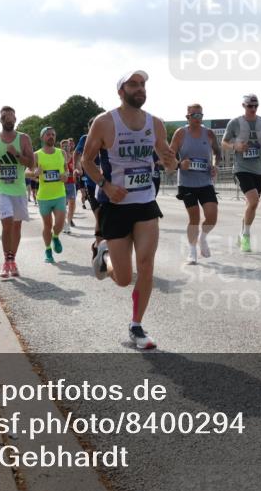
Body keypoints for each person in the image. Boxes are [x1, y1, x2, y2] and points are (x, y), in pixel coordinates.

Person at [81, 71, 176, 349]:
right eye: (133, 84)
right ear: (120, 91)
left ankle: (137, 326)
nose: (140, 89)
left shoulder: (156, 124)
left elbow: (168, 161)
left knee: (146, 266)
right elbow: (86, 161)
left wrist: (171, 162)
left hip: (145, 202)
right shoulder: (104, 122)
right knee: (123, 279)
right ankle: (105, 253)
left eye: (143, 84)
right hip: (115, 205)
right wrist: (106, 186)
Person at [221, 93, 261, 252]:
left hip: (258, 169)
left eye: (255, 106)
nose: (253, 109)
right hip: (241, 168)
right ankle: (246, 236)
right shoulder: (235, 123)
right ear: (243, 106)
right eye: (250, 106)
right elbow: (223, 143)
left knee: (251, 206)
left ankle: (241, 234)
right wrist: (234, 147)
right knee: (253, 201)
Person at [0, 106, 36, 278]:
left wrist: (16, 155)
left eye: (10, 117)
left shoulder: (23, 139)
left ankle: (12, 260)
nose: (7, 120)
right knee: (6, 222)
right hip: (1, 188)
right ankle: (6, 261)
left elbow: (31, 163)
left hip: (18, 188)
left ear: (15, 120)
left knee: (16, 225)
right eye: (4, 117)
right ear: (0, 120)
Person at [170, 103, 221, 264]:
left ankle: (203, 238)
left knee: (212, 216)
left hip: (205, 181)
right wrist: (179, 164)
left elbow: (217, 153)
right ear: (188, 117)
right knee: (194, 218)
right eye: (194, 115)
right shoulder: (180, 133)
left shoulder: (209, 133)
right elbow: (169, 156)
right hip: (187, 183)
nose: (198, 118)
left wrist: (215, 165)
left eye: (200, 115)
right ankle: (192, 251)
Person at [34, 127, 67, 264]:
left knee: (59, 224)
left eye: (53, 134)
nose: (51, 136)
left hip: (59, 194)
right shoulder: (36, 155)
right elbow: (27, 173)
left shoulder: (62, 153)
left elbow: (65, 171)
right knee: (47, 225)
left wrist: (65, 176)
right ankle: (48, 250)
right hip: (44, 196)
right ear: (42, 137)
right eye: (48, 134)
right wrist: (35, 172)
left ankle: (55, 236)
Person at [75, 116, 103, 253]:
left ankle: (106, 244)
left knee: (107, 216)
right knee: (99, 215)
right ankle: (98, 246)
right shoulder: (85, 138)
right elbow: (77, 154)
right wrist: (78, 167)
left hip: (108, 183)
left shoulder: (111, 136)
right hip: (92, 183)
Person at [62, 138, 77, 232]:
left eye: (67, 145)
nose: (66, 147)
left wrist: (77, 170)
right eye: (63, 146)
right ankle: (64, 224)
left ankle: (69, 221)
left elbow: (77, 167)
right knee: (62, 205)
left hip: (71, 183)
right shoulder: (59, 156)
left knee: (72, 204)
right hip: (62, 184)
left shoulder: (73, 156)